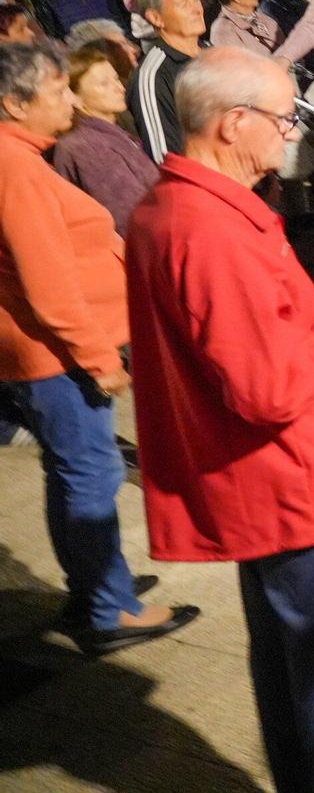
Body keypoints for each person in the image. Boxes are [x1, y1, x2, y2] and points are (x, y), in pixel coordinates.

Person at [125, 47, 314, 791]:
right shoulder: (207, 227)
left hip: (266, 482)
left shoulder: (182, 206)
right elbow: (264, 389)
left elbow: (243, 340)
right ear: (232, 122)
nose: (291, 131)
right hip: (293, 485)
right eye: (282, 118)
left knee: (290, 665)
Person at [0, 40, 198, 655]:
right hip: (53, 357)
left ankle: (96, 586)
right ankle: (108, 610)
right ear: (15, 103)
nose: (70, 100)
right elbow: (48, 282)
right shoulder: (15, 167)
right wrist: (97, 357)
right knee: (88, 474)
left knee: (75, 472)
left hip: (42, 353)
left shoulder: (20, 157)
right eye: (58, 90)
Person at [51, 40, 159, 236]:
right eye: (104, 84)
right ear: (75, 98)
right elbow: (129, 218)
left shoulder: (107, 133)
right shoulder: (87, 147)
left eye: (116, 79)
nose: (119, 87)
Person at [127, 0, 206, 161]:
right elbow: (165, 158)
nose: (196, 9)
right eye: (184, 4)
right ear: (156, 18)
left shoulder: (213, 54)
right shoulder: (154, 76)